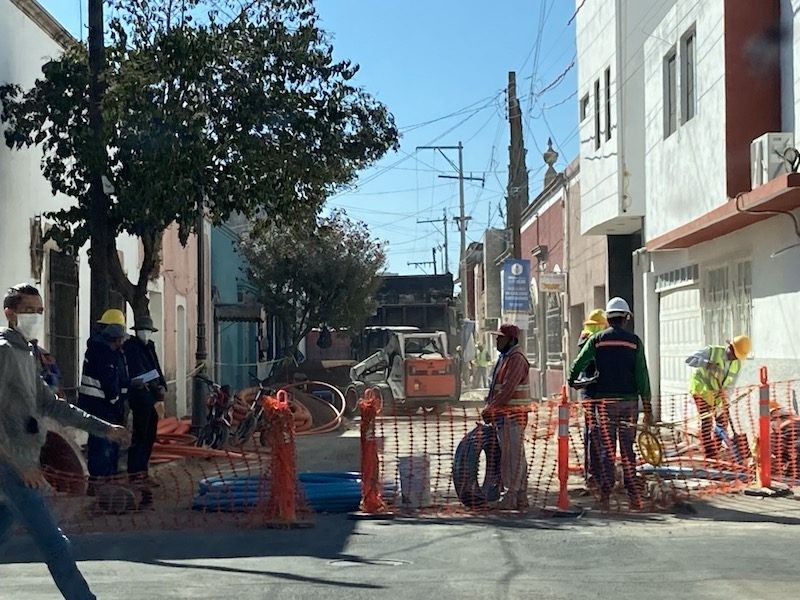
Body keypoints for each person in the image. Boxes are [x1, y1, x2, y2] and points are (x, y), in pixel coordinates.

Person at [0, 283, 130, 600]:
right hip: (13, 466)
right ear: (10, 313)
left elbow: (52, 405)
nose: (36, 317)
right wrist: (19, 466)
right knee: (56, 544)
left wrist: (103, 428)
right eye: (29, 311)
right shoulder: (3, 352)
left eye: (40, 311)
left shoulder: (27, 352)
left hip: (23, 462)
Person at [568, 297, 652, 510]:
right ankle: (633, 496)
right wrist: (647, 406)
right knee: (627, 450)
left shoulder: (597, 340)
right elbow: (642, 374)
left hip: (605, 404)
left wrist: (573, 381)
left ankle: (605, 496)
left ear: (608, 318)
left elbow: (578, 363)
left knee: (606, 449)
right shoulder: (634, 342)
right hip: (629, 404)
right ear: (625, 318)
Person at [482, 323, 531, 510]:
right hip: (505, 416)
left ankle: (511, 496)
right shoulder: (505, 358)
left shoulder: (516, 359)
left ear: (511, 339)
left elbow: (508, 390)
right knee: (516, 455)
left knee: (512, 457)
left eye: (500, 337)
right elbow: (497, 387)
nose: (497, 340)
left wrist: (491, 408)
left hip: (513, 416)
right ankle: (520, 496)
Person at [77, 308, 129, 483]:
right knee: (103, 447)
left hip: (102, 407)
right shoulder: (102, 352)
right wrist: (116, 401)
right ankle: (101, 487)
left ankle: (107, 483)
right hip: (102, 408)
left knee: (108, 446)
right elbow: (109, 383)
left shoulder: (107, 350)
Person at [686, 335, 751, 459]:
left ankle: (715, 449)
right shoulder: (712, 351)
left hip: (717, 394)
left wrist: (726, 400)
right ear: (730, 347)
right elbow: (689, 359)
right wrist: (706, 364)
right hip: (701, 390)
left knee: (723, 422)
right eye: (734, 354)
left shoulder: (736, 364)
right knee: (707, 422)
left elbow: (730, 385)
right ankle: (709, 454)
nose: (734, 358)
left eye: (737, 356)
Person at [122, 315, 167, 485]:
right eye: (143, 330)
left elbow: (156, 368)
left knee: (150, 436)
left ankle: (144, 471)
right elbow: (138, 373)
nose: (146, 334)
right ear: (137, 331)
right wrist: (154, 385)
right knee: (140, 436)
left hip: (153, 399)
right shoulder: (131, 348)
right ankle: (135, 472)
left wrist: (162, 386)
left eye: (148, 331)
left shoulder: (150, 347)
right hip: (140, 398)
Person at [576, 308, 607, 490]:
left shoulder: (585, 339)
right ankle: (594, 475)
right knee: (596, 434)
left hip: (590, 394)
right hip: (593, 393)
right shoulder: (591, 341)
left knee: (593, 433)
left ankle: (593, 474)